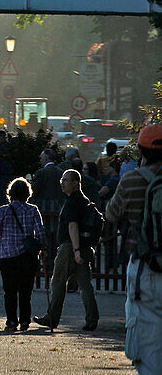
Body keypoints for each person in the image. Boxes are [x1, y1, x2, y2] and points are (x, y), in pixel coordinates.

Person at [105, 123, 162, 375]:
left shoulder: (131, 181)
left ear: (140, 150)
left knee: (147, 343)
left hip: (145, 269)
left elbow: (111, 214)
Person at [34, 168, 100, 331]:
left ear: (75, 183)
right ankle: (92, 319)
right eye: (62, 180)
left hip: (70, 248)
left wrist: (76, 250)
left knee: (58, 282)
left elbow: (72, 226)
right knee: (85, 285)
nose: (62, 183)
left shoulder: (72, 202)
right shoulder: (85, 202)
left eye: (65, 180)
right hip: (84, 248)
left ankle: (52, 317)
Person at [0, 177, 46, 332]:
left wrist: (0, 247)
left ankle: (11, 321)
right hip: (27, 255)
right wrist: (42, 248)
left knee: (9, 290)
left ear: (11, 193)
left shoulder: (3, 211)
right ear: (27, 194)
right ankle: (24, 321)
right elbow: (40, 231)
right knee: (25, 290)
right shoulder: (33, 210)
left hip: (7, 256)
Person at [0, 130, 12, 207]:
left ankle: (4, 210)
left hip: (2, 176)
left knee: (2, 196)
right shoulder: (11, 148)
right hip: (11, 175)